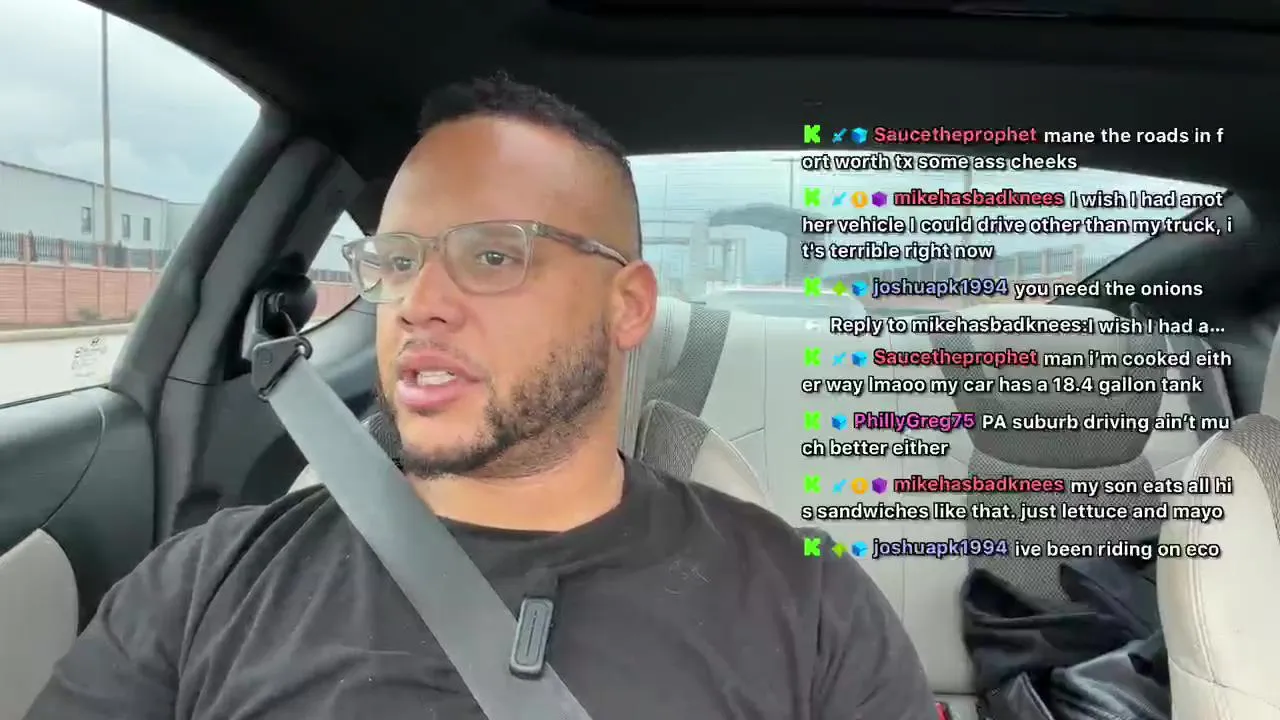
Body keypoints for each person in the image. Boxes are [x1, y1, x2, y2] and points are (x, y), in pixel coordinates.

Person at [23, 74, 935, 719]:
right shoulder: (206, 584)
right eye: (397, 260)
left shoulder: (808, 606)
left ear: (627, 307)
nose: (418, 302)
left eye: (494, 255)